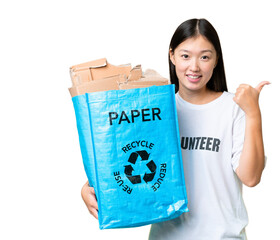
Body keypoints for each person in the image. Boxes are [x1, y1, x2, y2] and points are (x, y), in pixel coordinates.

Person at [81, 18, 269, 240]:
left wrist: (254, 113)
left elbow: (250, 177)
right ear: (172, 56)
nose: (194, 67)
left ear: (216, 59)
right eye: (185, 56)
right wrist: (91, 187)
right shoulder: (155, 108)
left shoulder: (233, 108)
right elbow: (127, 155)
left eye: (205, 57)